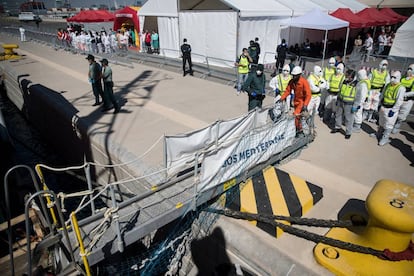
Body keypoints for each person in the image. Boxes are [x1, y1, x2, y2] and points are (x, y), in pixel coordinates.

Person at [370, 71, 405, 146]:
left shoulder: (401, 88)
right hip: (384, 106)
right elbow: (382, 95)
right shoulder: (388, 85)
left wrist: (394, 110)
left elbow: (399, 100)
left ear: (398, 78)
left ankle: (385, 138)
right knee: (381, 122)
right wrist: (379, 104)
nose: (392, 79)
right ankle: (378, 133)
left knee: (389, 124)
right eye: (391, 77)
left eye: (394, 77)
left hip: (391, 108)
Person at [277, 66, 311, 137]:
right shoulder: (292, 82)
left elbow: (308, 95)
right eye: (293, 75)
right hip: (296, 101)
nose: (294, 77)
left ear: (299, 75)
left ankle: (299, 130)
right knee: (298, 117)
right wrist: (282, 98)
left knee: (296, 115)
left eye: (295, 75)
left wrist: (305, 105)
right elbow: (287, 91)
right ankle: (299, 129)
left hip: (302, 102)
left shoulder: (304, 82)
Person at [331, 69, 363, 139]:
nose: (346, 77)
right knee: (338, 115)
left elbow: (358, 97)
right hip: (341, 101)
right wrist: (338, 99)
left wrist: (355, 106)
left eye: (347, 76)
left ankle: (348, 132)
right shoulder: (345, 81)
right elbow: (340, 90)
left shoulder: (357, 84)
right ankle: (337, 127)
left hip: (349, 104)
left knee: (349, 119)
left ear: (352, 77)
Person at [392, 64, 414, 134]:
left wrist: (403, 94)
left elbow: (413, 92)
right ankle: (392, 124)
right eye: (408, 68)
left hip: (408, 100)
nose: (409, 71)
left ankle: (397, 125)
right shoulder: (403, 78)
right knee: (395, 111)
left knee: (402, 114)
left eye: (411, 69)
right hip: (399, 99)